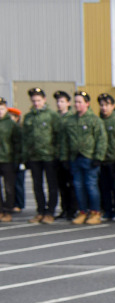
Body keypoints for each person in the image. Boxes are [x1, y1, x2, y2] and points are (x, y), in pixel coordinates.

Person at [65, 90, 106, 225]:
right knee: (78, 186)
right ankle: (82, 211)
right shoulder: (70, 120)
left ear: (87, 104)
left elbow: (101, 139)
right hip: (75, 157)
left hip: (89, 157)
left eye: (80, 102)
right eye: (75, 102)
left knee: (91, 185)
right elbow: (65, 140)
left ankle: (95, 212)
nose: (77, 105)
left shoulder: (94, 120)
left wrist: (98, 157)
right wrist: (64, 157)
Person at [22, 88, 59, 223]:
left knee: (51, 185)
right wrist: (25, 156)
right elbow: (25, 139)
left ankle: (50, 212)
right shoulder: (28, 117)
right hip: (34, 156)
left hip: (49, 156)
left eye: (38, 100)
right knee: (37, 185)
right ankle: (40, 211)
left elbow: (58, 136)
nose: (36, 103)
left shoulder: (51, 116)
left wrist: (57, 154)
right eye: (34, 100)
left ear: (44, 100)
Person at [52, 90, 78, 220]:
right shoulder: (54, 118)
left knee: (72, 185)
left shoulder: (72, 118)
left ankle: (73, 209)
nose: (59, 104)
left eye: (62, 101)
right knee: (61, 185)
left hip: (69, 156)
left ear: (68, 103)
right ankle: (64, 208)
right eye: (57, 101)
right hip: (56, 156)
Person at [0, 103, 18, 222]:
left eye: (1, 108)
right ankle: (0, 210)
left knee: (9, 187)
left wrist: (17, 160)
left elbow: (16, 143)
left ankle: (8, 210)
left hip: (8, 159)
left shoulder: (11, 124)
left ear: (6, 109)